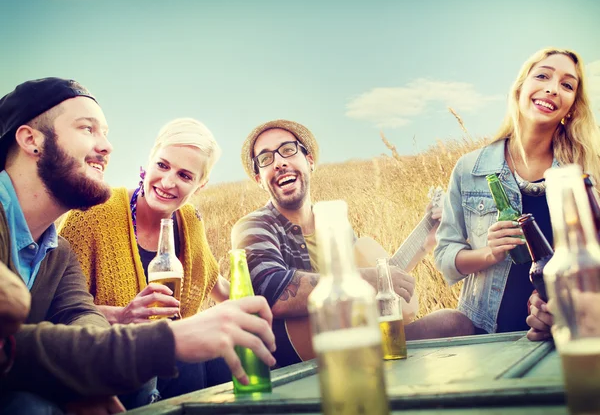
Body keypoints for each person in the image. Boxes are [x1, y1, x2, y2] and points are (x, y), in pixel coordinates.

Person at [0, 78, 276, 414]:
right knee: (28, 406)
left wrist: (89, 375)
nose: (107, 146)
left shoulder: (58, 254)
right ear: (31, 140)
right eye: (88, 128)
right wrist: (164, 339)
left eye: (186, 176)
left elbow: (81, 316)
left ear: (200, 186)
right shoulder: (86, 223)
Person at [232, 119, 475, 366]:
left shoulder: (334, 224)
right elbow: (274, 292)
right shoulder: (253, 227)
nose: (279, 162)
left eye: (288, 150)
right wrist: (370, 278)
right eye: (265, 159)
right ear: (259, 179)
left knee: (454, 324)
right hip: (303, 361)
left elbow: (373, 285)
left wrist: (425, 241)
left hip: (359, 341)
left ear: (310, 160)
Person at [59, 118, 232, 403]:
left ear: (201, 185)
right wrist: (123, 316)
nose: (167, 182)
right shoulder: (92, 214)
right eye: (162, 165)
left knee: (220, 353)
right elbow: (55, 313)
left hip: (173, 360)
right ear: (150, 160)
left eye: (185, 176)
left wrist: (262, 307)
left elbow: (216, 284)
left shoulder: (188, 221)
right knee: (180, 356)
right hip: (108, 361)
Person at [434, 48, 600, 337]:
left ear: (573, 105)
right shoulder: (470, 168)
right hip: (484, 335)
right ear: (520, 87)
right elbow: (445, 256)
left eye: (567, 85)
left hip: (561, 330)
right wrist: (489, 253)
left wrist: (565, 305)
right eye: (543, 76)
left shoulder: (583, 173)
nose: (552, 88)